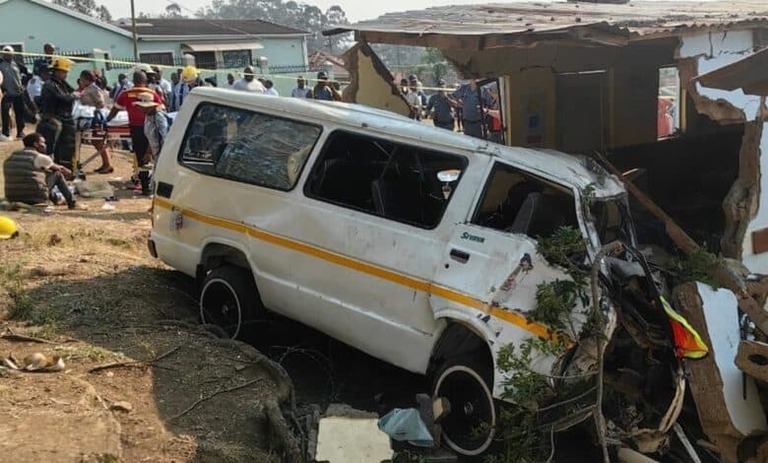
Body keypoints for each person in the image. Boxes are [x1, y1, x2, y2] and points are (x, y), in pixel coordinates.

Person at [107, 71, 164, 196]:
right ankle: (156, 186)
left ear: (133, 81)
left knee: (141, 157)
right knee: (157, 158)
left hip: (136, 129)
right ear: (145, 81)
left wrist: (107, 121)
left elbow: (115, 109)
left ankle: (145, 187)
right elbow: (162, 110)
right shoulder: (152, 94)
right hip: (151, 127)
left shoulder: (126, 94)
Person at [3, 133, 86, 209]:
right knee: (57, 174)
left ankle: (56, 200)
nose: (45, 145)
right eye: (43, 143)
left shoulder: (11, 157)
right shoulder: (39, 157)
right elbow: (61, 170)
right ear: (36, 144)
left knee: (43, 177)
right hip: (34, 197)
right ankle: (73, 203)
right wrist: (71, 173)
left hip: (11, 197)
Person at [40, 58, 78, 169]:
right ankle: (56, 168)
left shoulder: (61, 83)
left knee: (67, 147)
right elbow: (63, 98)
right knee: (55, 147)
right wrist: (73, 96)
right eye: (64, 72)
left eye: (66, 72)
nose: (66, 74)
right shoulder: (49, 85)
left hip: (64, 119)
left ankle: (66, 168)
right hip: (54, 120)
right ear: (56, 71)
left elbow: (72, 91)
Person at [77, 70, 112, 174]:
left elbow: (101, 104)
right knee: (97, 142)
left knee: (98, 142)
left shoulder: (93, 88)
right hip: (91, 116)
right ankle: (106, 164)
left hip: (96, 118)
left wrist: (88, 109)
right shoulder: (88, 88)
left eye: (82, 80)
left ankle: (107, 165)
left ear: (85, 79)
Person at [0, 45, 25, 141]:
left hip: (18, 93)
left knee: (20, 113)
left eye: (9, 53)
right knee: (5, 113)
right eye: (5, 53)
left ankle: (20, 132)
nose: (7, 55)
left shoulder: (17, 64)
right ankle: (6, 133)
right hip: (7, 93)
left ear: (13, 54)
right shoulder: (0, 64)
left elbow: (27, 74)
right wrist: (2, 89)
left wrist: (24, 85)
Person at [135, 93, 168, 163]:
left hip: (163, 156)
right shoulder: (148, 117)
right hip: (156, 154)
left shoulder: (159, 118)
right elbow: (151, 137)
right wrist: (148, 152)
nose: (140, 109)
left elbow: (165, 138)